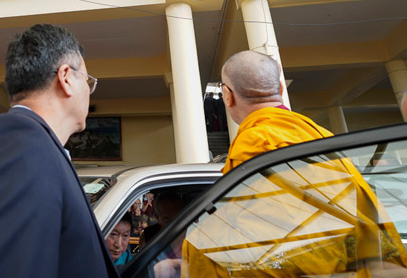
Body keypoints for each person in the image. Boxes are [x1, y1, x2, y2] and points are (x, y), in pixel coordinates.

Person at [173, 50, 407, 277]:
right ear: (281, 88)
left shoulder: (255, 141)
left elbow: (241, 238)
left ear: (227, 95)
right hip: (362, 260)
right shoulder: (319, 134)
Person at [0, 24, 118, 278]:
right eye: (87, 81)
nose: (89, 91)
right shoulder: (18, 152)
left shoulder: (33, 145)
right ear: (65, 77)